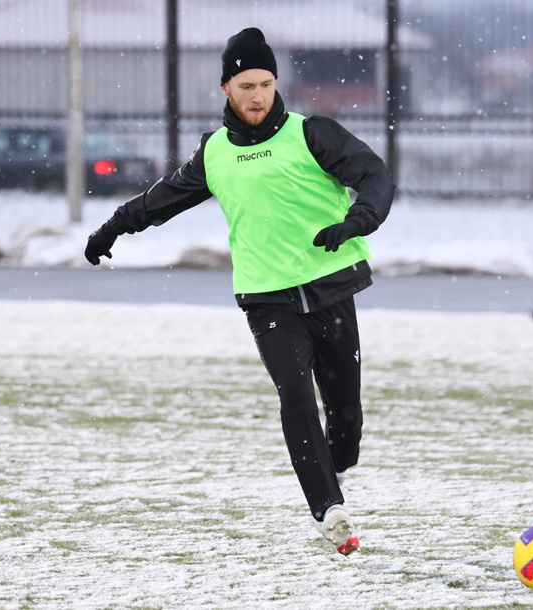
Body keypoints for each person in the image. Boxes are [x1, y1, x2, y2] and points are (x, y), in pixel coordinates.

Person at [83, 27, 394, 555]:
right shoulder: (215, 153)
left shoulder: (311, 133)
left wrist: (357, 221)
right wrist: (114, 225)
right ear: (226, 88)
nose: (258, 95)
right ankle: (329, 510)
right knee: (295, 396)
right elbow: (163, 199)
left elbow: (375, 176)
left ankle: (334, 466)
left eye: (266, 83)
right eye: (246, 84)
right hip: (266, 297)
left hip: (329, 288)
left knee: (345, 414)